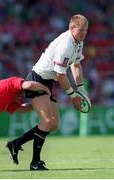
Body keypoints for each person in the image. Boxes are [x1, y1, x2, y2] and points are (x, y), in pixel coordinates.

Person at [6, 14, 90, 171]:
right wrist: (73, 96)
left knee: (54, 124)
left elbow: (76, 65)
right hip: (37, 79)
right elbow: (61, 75)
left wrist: (80, 87)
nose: (85, 33)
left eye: (86, 30)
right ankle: (35, 163)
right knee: (47, 121)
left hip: (47, 81)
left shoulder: (78, 42)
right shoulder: (66, 44)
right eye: (81, 30)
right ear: (72, 28)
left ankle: (15, 144)